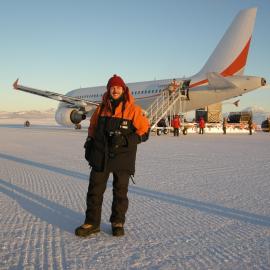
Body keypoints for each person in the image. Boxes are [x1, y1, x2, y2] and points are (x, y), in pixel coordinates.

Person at [75, 74, 150, 237]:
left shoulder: (133, 110)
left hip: (123, 158)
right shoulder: (101, 108)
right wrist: (90, 142)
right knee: (94, 190)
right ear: (109, 90)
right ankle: (92, 223)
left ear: (123, 90)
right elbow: (93, 128)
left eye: (118, 87)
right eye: (112, 87)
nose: (115, 90)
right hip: (100, 156)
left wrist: (124, 139)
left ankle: (118, 222)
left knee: (120, 192)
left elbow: (144, 133)